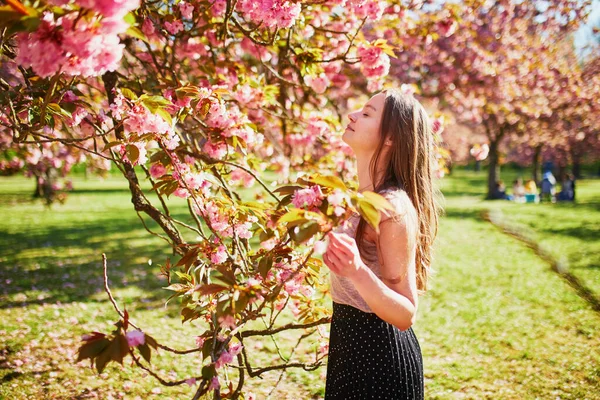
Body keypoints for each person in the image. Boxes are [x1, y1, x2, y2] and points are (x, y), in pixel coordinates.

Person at [322, 88, 441, 399]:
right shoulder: (361, 199)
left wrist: (357, 270)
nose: (352, 116)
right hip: (348, 346)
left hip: (379, 358)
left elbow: (405, 314)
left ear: (390, 138)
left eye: (366, 114)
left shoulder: (392, 208)